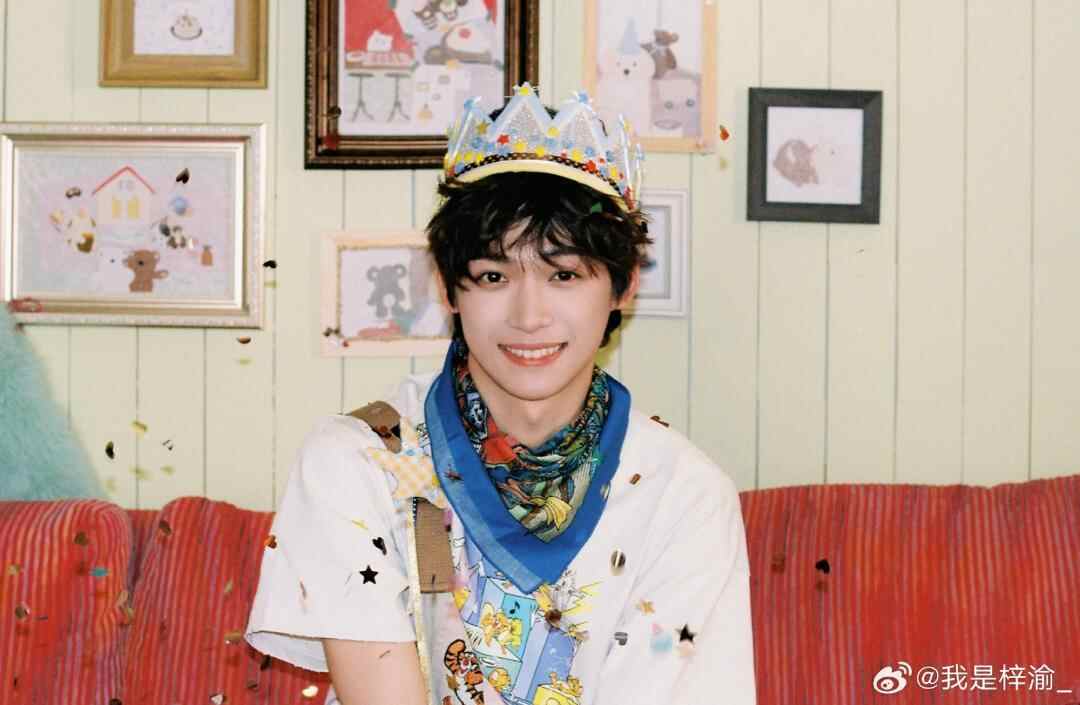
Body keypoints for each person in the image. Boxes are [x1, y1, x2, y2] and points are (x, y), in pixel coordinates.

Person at [245, 83, 756, 705]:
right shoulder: (362, 460)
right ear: (448, 288)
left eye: (564, 274)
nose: (529, 315)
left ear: (622, 290)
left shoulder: (684, 493)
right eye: (493, 275)